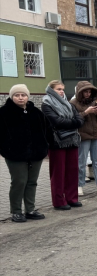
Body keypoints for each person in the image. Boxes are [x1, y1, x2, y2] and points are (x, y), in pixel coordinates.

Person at [0, 85, 49, 222]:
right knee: (19, 182)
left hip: (36, 154)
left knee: (32, 182)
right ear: (11, 96)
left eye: (23, 95)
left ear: (28, 96)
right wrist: (6, 149)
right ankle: (16, 211)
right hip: (15, 154)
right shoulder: (3, 113)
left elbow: (46, 130)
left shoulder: (36, 112)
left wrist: (44, 146)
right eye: (17, 95)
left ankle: (30, 209)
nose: (20, 97)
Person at [42, 80, 85, 210]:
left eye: (62, 89)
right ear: (51, 90)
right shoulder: (46, 104)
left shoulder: (68, 104)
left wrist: (71, 122)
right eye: (58, 89)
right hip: (56, 142)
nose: (61, 92)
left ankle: (72, 198)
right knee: (58, 173)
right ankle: (59, 201)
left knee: (72, 171)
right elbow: (56, 122)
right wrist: (72, 122)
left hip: (72, 140)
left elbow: (80, 120)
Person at [71, 81, 97, 196]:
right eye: (85, 92)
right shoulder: (73, 103)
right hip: (83, 136)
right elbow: (73, 120)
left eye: (89, 92)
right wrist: (85, 112)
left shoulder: (94, 102)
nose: (88, 94)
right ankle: (79, 185)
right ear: (79, 92)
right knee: (81, 162)